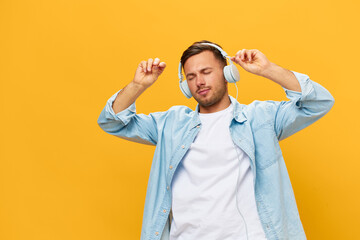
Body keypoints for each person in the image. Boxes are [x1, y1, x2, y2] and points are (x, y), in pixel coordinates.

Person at [97, 40, 334, 240]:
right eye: (191, 76)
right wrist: (138, 85)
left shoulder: (260, 119)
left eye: (206, 72)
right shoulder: (171, 125)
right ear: (185, 85)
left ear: (227, 72)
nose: (199, 81)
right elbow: (113, 122)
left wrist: (268, 69)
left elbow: (318, 102)